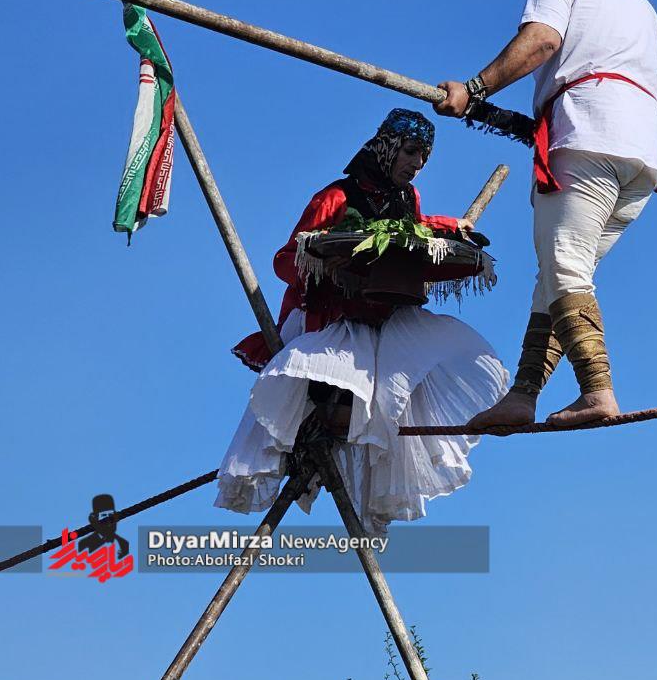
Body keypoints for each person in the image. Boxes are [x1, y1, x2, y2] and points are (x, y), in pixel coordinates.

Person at [435, 0, 657, 428]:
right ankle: (522, 394)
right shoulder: (641, 6)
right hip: (638, 161)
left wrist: (473, 89)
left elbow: (542, 41)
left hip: (586, 137)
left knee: (566, 270)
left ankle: (598, 391)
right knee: (557, 276)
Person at [215, 108, 509, 534]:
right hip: (328, 317)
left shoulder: (409, 198)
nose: (416, 165)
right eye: (410, 152)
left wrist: (449, 228)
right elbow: (286, 259)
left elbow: (409, 228)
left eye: (424, 158)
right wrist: (332, 264)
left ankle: (356, 427)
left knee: (412, 364)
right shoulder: (336, 197)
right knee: (343, 368)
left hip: (379, 315)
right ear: (388, 147)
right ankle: (326, 421)